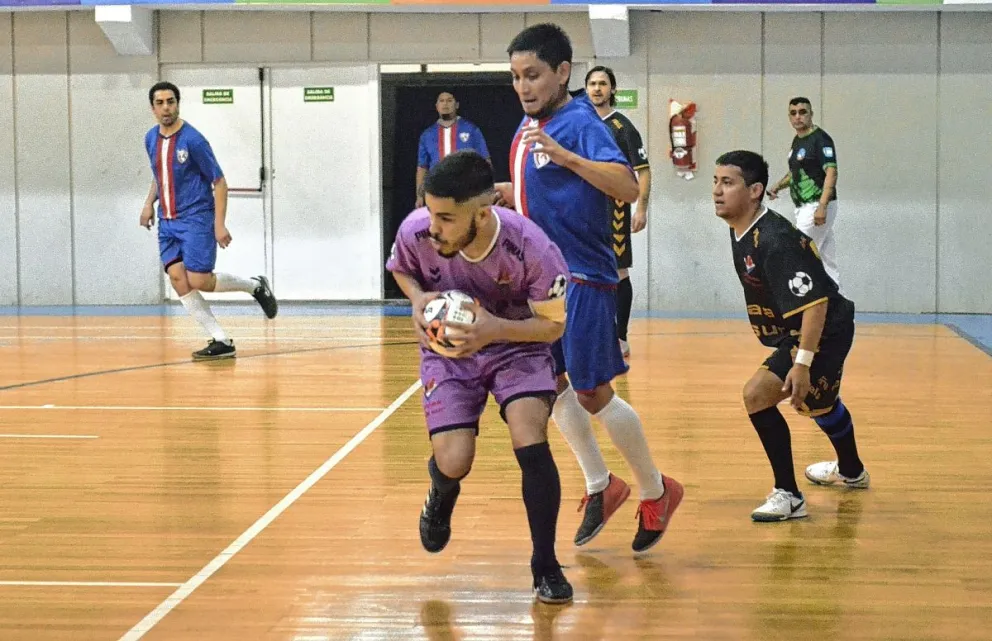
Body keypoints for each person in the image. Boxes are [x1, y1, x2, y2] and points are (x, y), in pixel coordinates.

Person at [496, 23, 683, 554]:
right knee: (550, 385)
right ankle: (603, 485)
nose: (523, 86)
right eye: (514, 77)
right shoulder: (529, 127)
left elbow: (625, 184)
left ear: (562, 72)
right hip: (542, 284)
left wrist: (567, 156)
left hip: (583, 277)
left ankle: (655, 489)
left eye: (532, 75)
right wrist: (491, 196)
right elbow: (534, 189)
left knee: (592, 392)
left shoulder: (577, 122)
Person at [387, 150, 573, 604]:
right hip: (449, 354)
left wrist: (494, 328)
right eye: (431, 212)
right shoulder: (417, 230)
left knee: (530, 435)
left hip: (517, 344)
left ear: (483, 212)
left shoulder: (533, 250)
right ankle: (442, 489)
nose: (434, 226)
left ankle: (545, 564)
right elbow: (401, 271)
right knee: (454, 461)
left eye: (447, 218)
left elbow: (553, 326)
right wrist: (417, 300)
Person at [712, 150, 870, 522]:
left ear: (755, 191)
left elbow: (815, 304)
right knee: (818, 405)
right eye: (715, 182)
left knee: (760, 395)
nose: (717, 191)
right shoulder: (743, 231)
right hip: (798, 330)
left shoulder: (775, 240)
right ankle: (851, 470)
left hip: (824, 329)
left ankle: (790, 495)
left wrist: (802, 363)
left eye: (728, 182)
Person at [141, 81, 277, 361]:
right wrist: (148, 204)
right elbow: (160, 175)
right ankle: (221, 340)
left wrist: (219, 224)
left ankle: (254, 286)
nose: (166, 107)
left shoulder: (193, 140)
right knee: (178, 279)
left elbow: (220, 182)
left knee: (199, 279)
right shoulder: (150, 139)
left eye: (170, 101)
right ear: (152, 108)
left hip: (196, 219)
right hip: (168, 223)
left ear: (177, 104)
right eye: (160, 103)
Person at [584, 66, 652, 359]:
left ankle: (620, 336)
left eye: (603, 84)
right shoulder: (580, 123)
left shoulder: (623, 127)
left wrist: (642, 208)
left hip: (615, 209)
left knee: (618, 270)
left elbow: (643, 171)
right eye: (592, 84)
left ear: (613, 89)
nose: (597, 88)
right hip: (581, 208)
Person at [766, 97, 843, 292]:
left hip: (816, 205)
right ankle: (834, 303)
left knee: (799, 253)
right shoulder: (798, 141)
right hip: (802, 207)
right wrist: (777, 186)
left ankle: (802, 304)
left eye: (803, 112)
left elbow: (831, 172)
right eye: (793, 113)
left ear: (811, 114)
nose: (798, 117)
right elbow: (796, 172)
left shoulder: (821, 140)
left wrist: (822, 206)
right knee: (826, 256)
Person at [415, 91, 491, 208]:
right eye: (442, 101)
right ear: (436, 106)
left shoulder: (471, 130)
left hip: (466, 189)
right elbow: (422, 167)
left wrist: (488, 190)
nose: (445, 104)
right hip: (437, 190)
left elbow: (485, 161)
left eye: (449, 100)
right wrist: (419, 196)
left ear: (457, 105)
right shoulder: (427, 135)